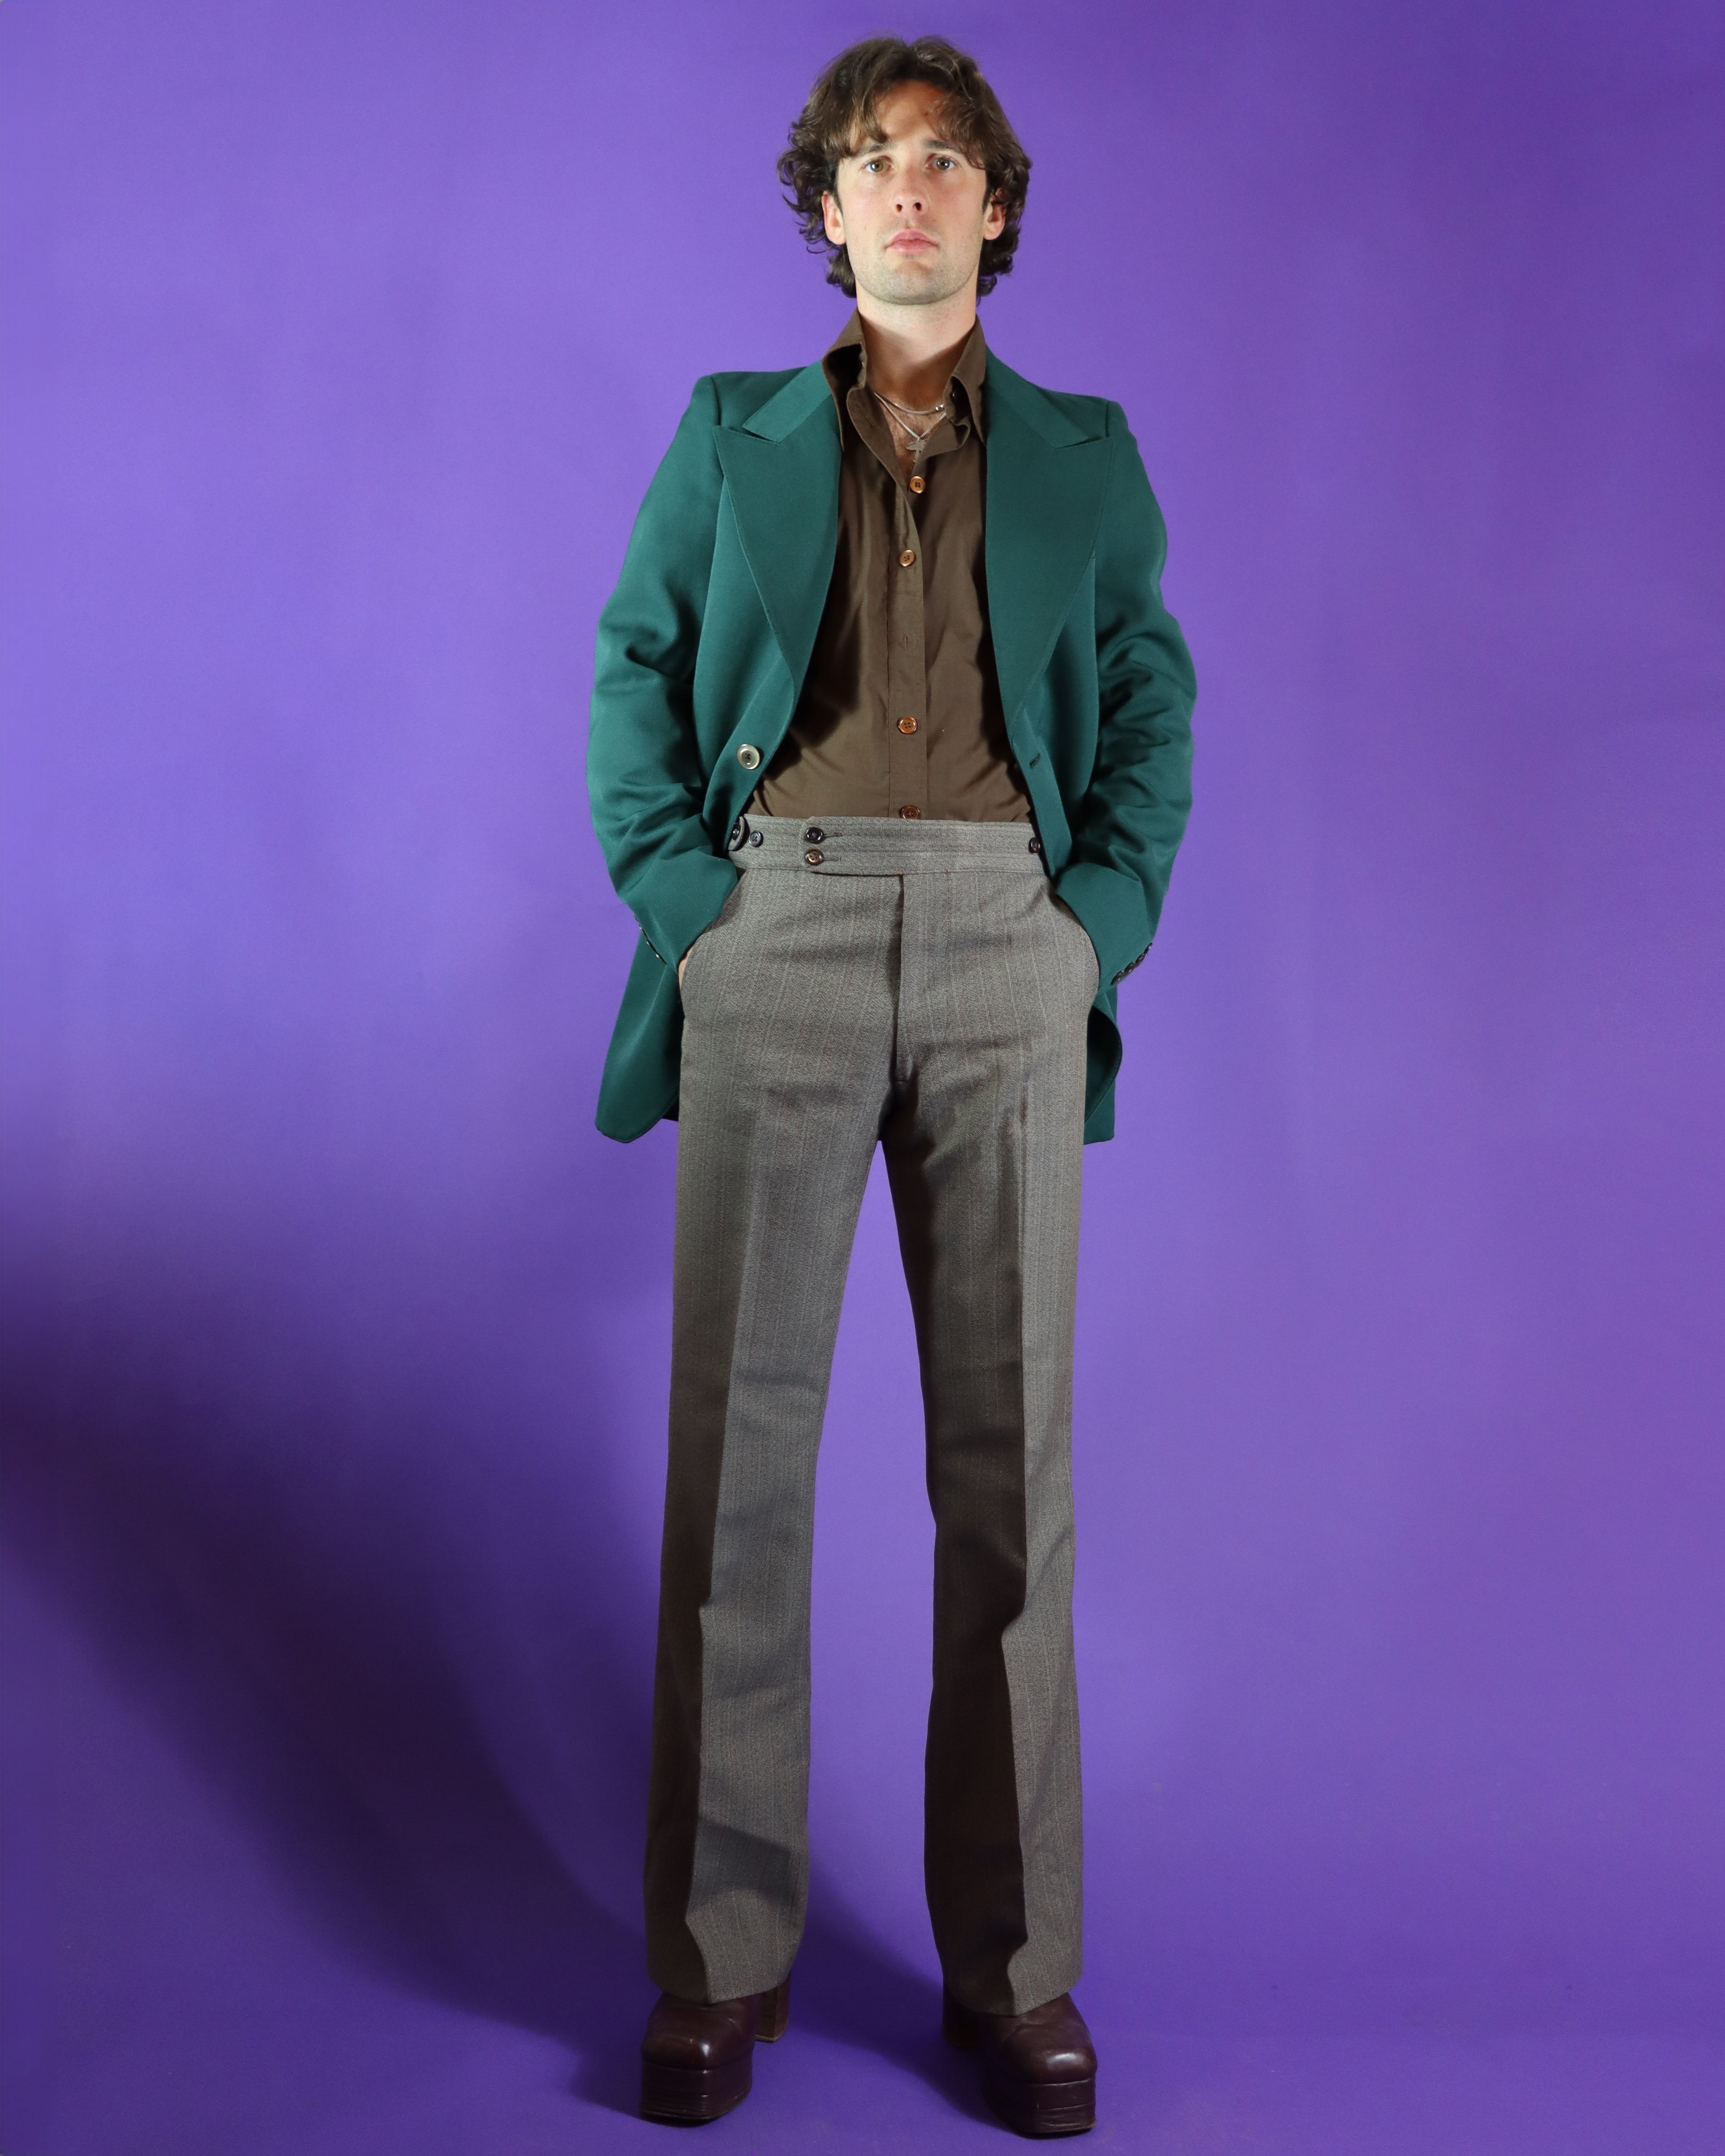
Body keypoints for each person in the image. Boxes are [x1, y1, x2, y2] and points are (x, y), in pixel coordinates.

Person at [587, 34, 1195, 2137]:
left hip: (1011, 938)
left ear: (992, 209)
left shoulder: (1088, 454)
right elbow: (631, 672)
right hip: (780, 926)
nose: (908, 187)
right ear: (828, 210)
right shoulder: (729, 432)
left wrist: (1091, 924)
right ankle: (716, 1960)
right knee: (736, 1469)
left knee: (1008, 1476)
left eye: (944, 159)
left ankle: (1015, 1973)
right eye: (870, 159)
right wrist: (695, 909)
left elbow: (1148, 702)